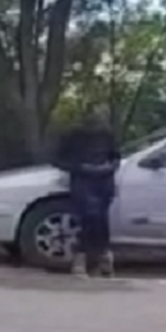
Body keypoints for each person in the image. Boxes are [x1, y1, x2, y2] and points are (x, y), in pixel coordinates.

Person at [53, 109, 121, 278]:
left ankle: (103, 259)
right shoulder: (73, 135)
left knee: (101, 221)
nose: (97, 117)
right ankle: (82, 259)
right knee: (88, 219)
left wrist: (110, 167)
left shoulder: (107, 134)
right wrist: (80, 167)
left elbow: (116, 156)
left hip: (104, 180)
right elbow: (58, 159)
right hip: (83, 180)